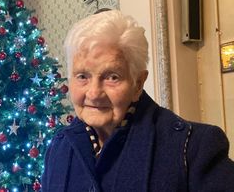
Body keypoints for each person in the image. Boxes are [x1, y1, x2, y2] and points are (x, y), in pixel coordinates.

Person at [41, 10, 234, 191]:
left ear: (138, 83)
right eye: (82, 76)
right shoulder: (59, 147)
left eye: (112, 77)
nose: (93, 93)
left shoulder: (194, 148)